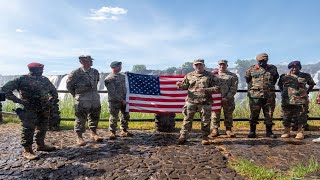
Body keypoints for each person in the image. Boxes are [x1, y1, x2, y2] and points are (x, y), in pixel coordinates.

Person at [2, 62, 57, 160]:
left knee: (43, 127)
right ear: (33, 70)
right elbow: (5, 90)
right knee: (28, 129)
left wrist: (50, 102)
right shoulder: (22, 79)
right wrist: (19, 101)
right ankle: (27, 150)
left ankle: (41, 145)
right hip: (29, 108)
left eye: (42, 69)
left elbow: (53, 92)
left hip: (43, 108)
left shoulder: (44, 80)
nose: (42, 71)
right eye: (40, 70)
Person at [176, 59, 220, 145]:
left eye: (200, 65)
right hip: (191, 101)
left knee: (205, 121)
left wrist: (205, 90)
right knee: (187, 119)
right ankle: (183, 136)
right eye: (196, 65)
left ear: (203, 65)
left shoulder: (210, 75)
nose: (198, 67)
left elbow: (217, 87)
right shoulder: (189, 75)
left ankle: (205, 137)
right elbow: (185, 86)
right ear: (193, 66)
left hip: (205, 102)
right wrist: (180, 86)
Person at [66, 55, 103, 146]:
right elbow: (69, 85)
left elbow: (96, 82)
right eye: (88, 60)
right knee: (80, 118)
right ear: (81, 61)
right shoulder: (75, 73)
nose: (90, 62)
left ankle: (94, 133)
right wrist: (76, 95)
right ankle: (79, 137)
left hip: (94, 98)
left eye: (91, 60)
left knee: (95, 116)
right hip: (82, 98)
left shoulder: (95, 72)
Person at [278, 61, 315, 139]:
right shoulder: (284, 76)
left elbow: (311, 84)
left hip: (301, 100)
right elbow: (280, 85)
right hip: (287, 100)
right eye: (292, 67)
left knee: (302, 116)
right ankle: (286, 131)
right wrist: (283, 92)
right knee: (286, 116)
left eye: (296, 66)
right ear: (289, 68)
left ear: (300, 67)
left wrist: (306, 92)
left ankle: (300, 132)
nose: (294, 68)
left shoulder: (306, 76)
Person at [245, 53, 279, 138]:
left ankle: (269, 132)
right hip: (255, 96)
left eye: (263, 61)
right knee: (254, 114)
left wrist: (268, 88)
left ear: (267, 60)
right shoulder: (251, 69)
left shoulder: (273, 68)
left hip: (269, 96)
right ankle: (252, 131)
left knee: (269, 114)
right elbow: (247, 79)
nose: (261, 63)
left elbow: (275, 79)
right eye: (259, 61)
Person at [209, 60, 238, 138]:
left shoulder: (232, 76)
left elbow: (234, 88)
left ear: (227, 65)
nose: (222, 66)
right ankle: (215, 130)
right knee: (215, 114)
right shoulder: (213, 75)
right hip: (216, 99)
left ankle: (228, 129)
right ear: (218, 66)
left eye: (223, 65)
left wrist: (226, 97)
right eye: (220, 65)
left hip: (228, 99)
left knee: (228, 114)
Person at [104, 61, 133, 139]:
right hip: (114, 101)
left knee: (126, 115)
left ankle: (124, 130)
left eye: (120, 66)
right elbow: (112, 92)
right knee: (114, 116)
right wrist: (121, 100)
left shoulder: (123, 76)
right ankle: (112, 132)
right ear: (113, 67)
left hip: (124, 100)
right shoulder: (109, 79)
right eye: (118, 66)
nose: (120, 68)